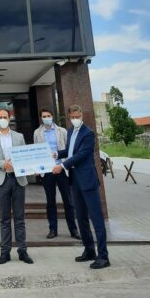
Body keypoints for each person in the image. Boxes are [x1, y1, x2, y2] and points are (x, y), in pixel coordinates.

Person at [53, 104, 110, 269]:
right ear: (69, 117)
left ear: (82, 115)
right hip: (75, 181)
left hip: (88, 181)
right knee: (81, 218)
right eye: (72, 117)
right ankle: (89, 250)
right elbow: (71, 151)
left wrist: (62, 165)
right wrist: (58, 154)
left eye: (77, 116)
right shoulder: (71, 131)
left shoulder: (88, 133)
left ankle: (103, 256)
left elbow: (82, 154)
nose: (75, 119)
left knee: (96, 219)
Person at [0, 109, 34, 265]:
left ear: (9, 118)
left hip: (18, 180)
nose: (3, 119)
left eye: (5, 117)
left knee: (20, 218)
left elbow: (25, 156)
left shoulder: (19, 136)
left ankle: (22, 251)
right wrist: (3, 164)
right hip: (2, 180)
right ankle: (5, 252)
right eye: (0, 117)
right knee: (4, 219)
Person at [34, 108, 80, 240]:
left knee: (68, 201)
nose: (46, 118)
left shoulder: (62, 131)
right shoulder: (37, 133)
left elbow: (68, 149)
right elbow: (36, 151)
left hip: (61, 168)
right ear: (41, 118)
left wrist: (66, 164)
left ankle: (73, 229)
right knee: (50, 201)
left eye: (48, 115)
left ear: (52, 116)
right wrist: (37, 167)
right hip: (47, 170)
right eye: (44, 116)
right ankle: (53, 229)